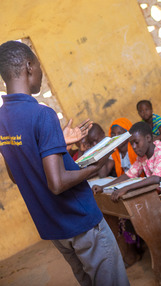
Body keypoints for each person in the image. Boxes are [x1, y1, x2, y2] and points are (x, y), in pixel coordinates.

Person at [0, 40, 129, 285]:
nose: (40, 73)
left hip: (53, 227)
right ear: (29, 66)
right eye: (38, 67)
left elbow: (17, 174)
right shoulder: (42, 113)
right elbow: (57, 184)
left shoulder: (3, 118)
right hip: (80, 220)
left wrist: (58, 143)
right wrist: (94, 166)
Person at [92, 121, 161, 201]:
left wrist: (126, 188)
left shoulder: (160, 149)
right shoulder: (142, 156)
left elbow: (156, 178)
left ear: (148, 138)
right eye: (131, 143)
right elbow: (128, 175)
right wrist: (103, 187)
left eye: (136, 142)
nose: (133, 147)